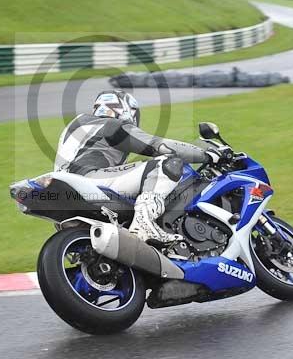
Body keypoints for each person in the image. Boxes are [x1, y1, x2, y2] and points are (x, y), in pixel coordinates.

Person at [54, 90, 220, 244]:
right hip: (89, 180)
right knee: (167, 162)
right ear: (127, 110)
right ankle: (144, 223)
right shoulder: (112, 125)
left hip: (65, 189)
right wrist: (206, 155)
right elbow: (159, 146)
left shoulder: (77, 125)